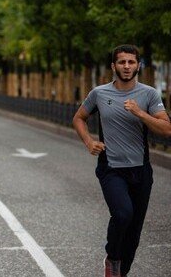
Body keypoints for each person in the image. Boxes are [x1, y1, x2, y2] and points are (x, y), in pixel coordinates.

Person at [72, 44, 171, 277]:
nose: (126, 66)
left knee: (134, 232)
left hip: (140, 170)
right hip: (111, 168)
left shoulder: (149, 94)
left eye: (131, 62)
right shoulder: (99, 93)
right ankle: (112, 257)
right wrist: (89, 142)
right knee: (123, 214)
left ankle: (119, 272)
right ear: (113, 66)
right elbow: (79, 118)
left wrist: (140, 113)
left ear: (138, 65)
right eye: (122, 62)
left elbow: (166, 129)